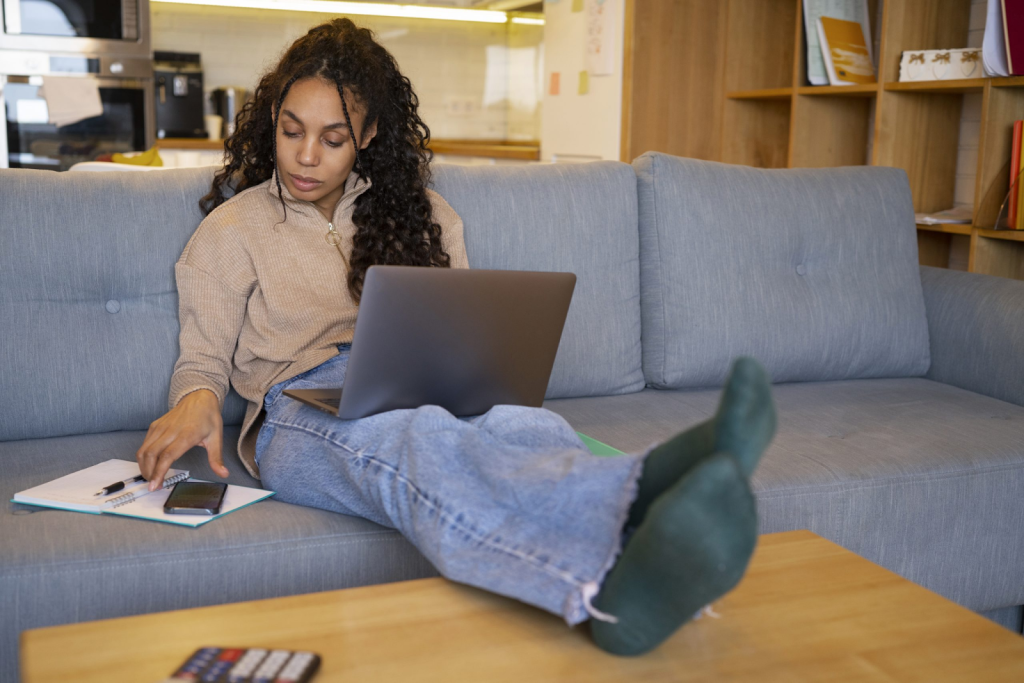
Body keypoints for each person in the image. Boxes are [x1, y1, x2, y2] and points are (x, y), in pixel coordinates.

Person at [135, 18, 777, 657]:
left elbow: (464, 327)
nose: (306, 156)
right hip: (299, 410)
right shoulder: (232, 228)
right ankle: (618, 551)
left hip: (422, 387)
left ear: (370, 135)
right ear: (272, 120)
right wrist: (194, 397)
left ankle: (642, 511)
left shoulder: (428, 216)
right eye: (291, 131)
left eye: (333, 139)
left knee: (529, 427)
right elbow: (203, 356)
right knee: (421, 439)